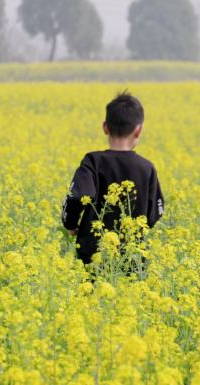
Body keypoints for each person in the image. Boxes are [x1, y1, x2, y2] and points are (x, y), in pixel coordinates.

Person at [61, 91, 164, 266]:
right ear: (138, 130)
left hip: (94, 254)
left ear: (105, 127)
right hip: (131, 255)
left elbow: (77, 196)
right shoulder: (146, 168)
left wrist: (70, 223)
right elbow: (156, 211)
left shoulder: (93, 161)